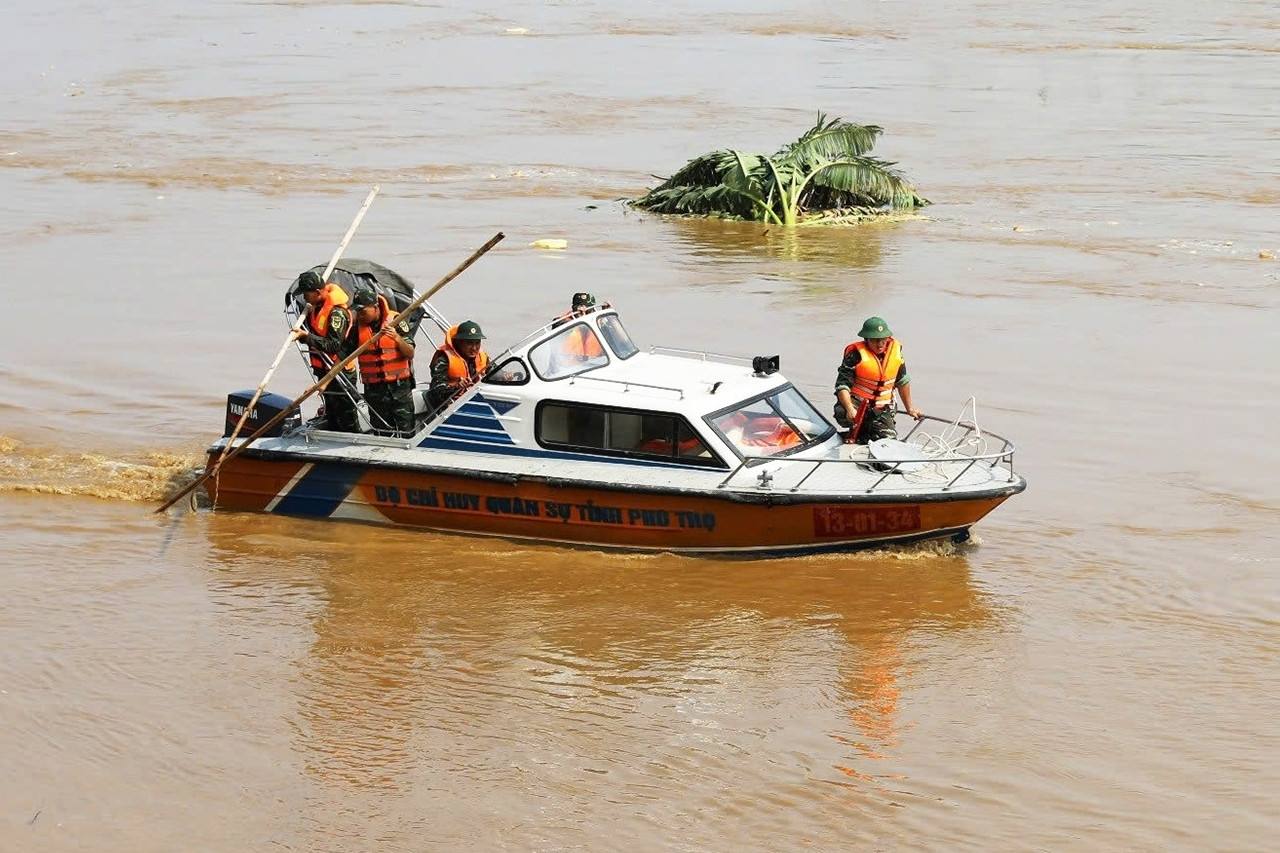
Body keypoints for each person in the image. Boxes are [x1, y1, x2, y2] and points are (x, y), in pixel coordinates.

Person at [833, 316, 921, 444]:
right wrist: (850, 409)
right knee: (842, 412)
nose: (880, 344)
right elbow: (842, 386)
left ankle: (868, 433)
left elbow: (902, 381)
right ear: (866, 339)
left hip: (883, 407)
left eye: (883, 340)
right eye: (875, 340)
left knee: (888, 442)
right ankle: (857, 430)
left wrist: (910, 408)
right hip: (858, 404)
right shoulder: (855, 355)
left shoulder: (895, 353)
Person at [292, 270, 359, 432]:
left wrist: (306, 337)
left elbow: (333, 344)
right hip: (323, 369)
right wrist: (301, 335)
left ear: (317, 292)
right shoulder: (315, 308)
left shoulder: (337, 313)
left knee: (346, 417)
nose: (304, 298)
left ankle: (350, 444)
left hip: (340, 372)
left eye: (306, 294)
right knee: (331, 414)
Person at [350, 286, 416, 436]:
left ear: (375, 308)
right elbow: (343, 356)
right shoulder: (357, 328)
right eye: (357, 311)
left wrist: (397, 339)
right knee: (381, 432)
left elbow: (410, 353)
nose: (359, 315)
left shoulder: (397, 321)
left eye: (363, 311)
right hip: (374, 392)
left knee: (406, 431)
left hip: (399, 390)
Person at [428, 320, 489, 411]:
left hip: (475, 403)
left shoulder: (482, 356)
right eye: (469, 343)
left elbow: (494, 372)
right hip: (449, 408)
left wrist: (504, 376)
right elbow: (437, 393)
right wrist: (457, 387)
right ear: (459, 342)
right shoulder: (444, 359)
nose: (474, 348)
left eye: (477, 343)